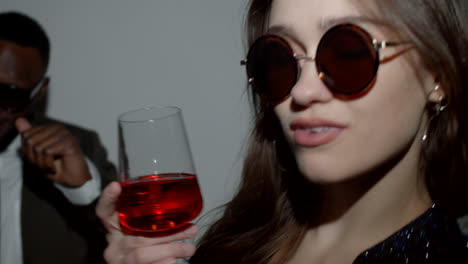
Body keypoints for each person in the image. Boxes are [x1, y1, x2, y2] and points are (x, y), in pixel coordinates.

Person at [96, 0, 468, 263]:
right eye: (278, 58)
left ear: (437, 75)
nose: (302, 91)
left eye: (347, 51)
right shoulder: (239, 236)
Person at [0, 11, 116, 264]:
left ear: (39, 91)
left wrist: (83, 187)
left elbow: (129, 238)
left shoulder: (78, 146)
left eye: (9, 95)